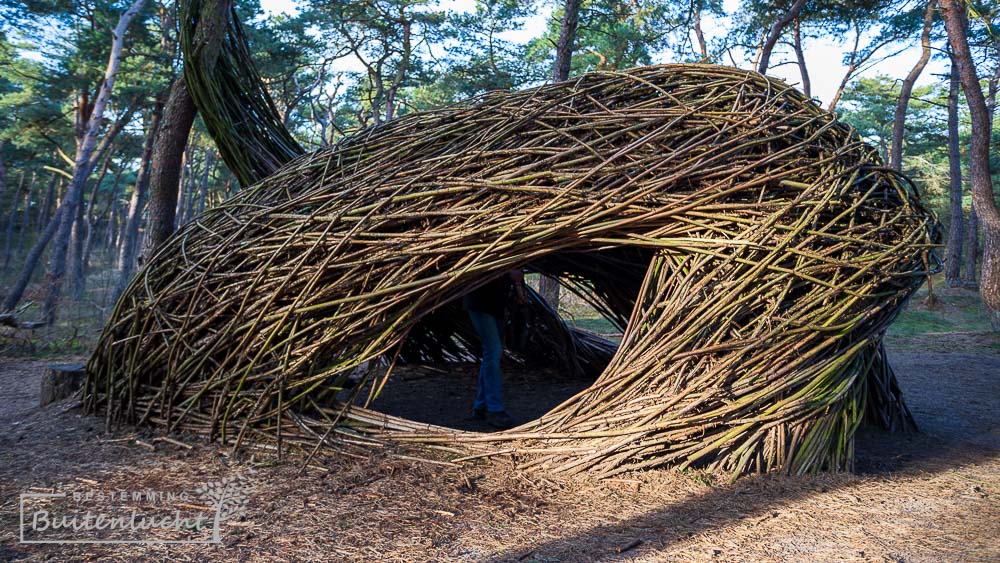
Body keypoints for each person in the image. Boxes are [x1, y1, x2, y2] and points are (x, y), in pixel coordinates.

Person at [462, 269, 526, 430]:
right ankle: (494, 409)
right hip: (480, 304)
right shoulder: (486, 249)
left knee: (491, 352)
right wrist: (508, 274)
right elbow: (481, 269)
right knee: (493, 351)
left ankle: (482, 406)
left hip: (493, 307)